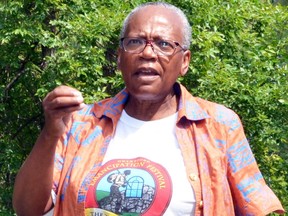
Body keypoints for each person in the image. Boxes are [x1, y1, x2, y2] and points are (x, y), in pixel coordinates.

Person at [13, 2, 285, 216]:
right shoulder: (81, 123)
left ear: (184, 62)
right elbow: (28, 210)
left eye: (164, 44)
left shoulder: (219, 125)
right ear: (120, 58)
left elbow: (254, 206)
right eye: (135, 42)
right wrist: (50, 132)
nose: (148, 53)